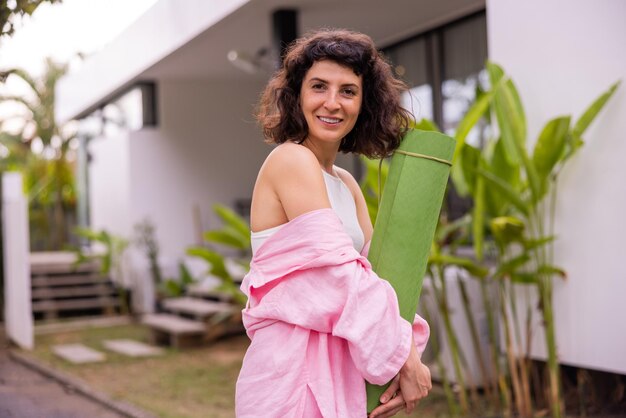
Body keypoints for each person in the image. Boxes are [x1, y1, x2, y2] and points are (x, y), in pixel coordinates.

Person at [235, 29, 432, 418]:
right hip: (291, 373)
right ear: (297, 96)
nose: (332, 103)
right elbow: (340, 277)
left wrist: (393, 369)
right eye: (319, 86)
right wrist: (404, 359)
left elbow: (377, 278)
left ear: (364, 103)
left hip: (341, 370)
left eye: (348, 91)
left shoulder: (345, 182)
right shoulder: (290, 159)